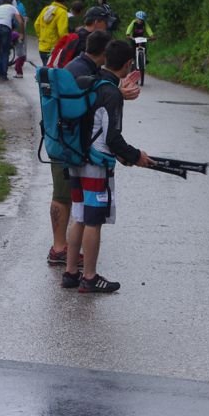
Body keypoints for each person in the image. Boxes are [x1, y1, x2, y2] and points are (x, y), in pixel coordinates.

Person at [62, 40, 155, 293]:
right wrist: (136, 156)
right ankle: (89, 277)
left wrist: (127, 157)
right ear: (127, 64)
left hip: (74, 160)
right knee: (94, 221)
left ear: (105, 59)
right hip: (95, 165)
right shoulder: (111, 94)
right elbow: (112, 138)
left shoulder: (87, 81)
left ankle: (71, 273)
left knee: (79, 216)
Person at [0, 0, 23, 81]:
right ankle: (3, 74)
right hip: (5, 27)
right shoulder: (12, 7)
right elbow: (20, 21)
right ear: (10, 3)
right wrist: (21, 33)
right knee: (4, 51)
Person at [33, 0, 68, 65]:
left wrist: (40, 36)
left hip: (42, 47)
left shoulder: (46, 9)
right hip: (54, 48)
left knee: (45, 69)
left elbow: (36, 24)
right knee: (51, 73)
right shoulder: (62, 12)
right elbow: (62, 32)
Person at [7, 0, 28, 78]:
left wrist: (25, 21)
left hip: (20, 28)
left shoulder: (20, 4)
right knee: (14, 48)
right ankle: (16, 67)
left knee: (21, 50)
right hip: (13, 28)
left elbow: (23, 17)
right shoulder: (9, 3)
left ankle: (18, 69)